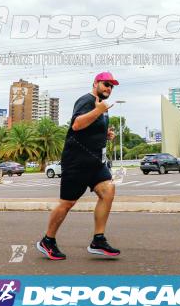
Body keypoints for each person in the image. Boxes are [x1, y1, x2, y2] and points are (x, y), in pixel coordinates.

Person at [37, 72, 121, 260]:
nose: (109, 88)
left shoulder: (102, 106)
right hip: (77, 162)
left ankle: (98, 240)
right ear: (96, 83)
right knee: (67, 203)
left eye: (112, 86)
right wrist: (98, 110)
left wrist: (105, 133)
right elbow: (76, 125)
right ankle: (47, 241)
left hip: (95, 163)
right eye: (106, 84)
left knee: (108, 191)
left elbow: (90, 126)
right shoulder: (86, 100)